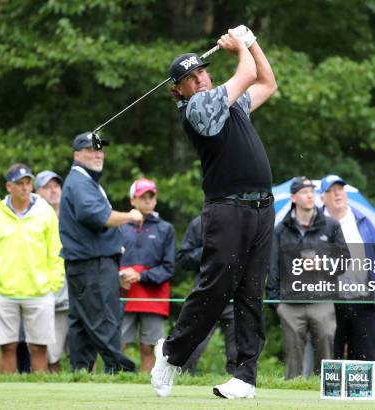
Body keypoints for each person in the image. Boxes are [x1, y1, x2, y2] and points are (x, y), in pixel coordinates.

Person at [151, 25, 277, 399]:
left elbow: (267, 82)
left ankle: (245, 377)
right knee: (215, 289)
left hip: (261, 209)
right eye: (190, 78)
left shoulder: (229, 103)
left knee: (252, 293)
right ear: (179, 90)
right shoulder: (197, 108)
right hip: (227, 209)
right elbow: (249, 73)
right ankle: (171, 354)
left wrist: (253, 42)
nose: (200, 78)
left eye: (202, 71)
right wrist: (241, 48)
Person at [59, 132, 143, 374]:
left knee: (82, 322)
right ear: (77, 155)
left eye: (100, 150)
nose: (98, 154)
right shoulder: (80, 182)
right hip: (91, 264)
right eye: (91, 150)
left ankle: (80, 372)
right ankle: (123, 370)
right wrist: (130, 215)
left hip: (87, 263)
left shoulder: (84, 181)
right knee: (103, 320)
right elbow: (97, 216)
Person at [0, 163, 64, 374]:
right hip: (1, 290)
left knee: (39, 348)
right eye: (19, 183)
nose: (25, 187)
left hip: (40, 290)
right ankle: (6, 399)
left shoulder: (45, 213)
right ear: (9, 186)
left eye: (28, 183)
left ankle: (39, 399)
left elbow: (55, 252)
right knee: (7, 347)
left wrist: (54, 283)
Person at [266, 177, 347, 379]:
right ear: (294, 197)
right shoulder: (280, 230)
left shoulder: (331, 226)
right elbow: (273, 267)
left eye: (312, 191)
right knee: (294, 363)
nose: (310, 195)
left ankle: (326, 393)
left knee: (326, 356)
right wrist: (276, 303)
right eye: (304, 191)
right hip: (290, 303)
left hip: (322, 299)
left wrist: (323, 263)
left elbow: (345, 260)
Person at [320, 175, 375, 379]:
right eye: (331, 190)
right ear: (323, 198)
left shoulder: (363, 221)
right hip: (331, 301)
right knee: (332, 358)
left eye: (340, 189)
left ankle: (373, 400)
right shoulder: (317, 224)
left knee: (368, 357)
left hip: (364, 299)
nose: (338, 193)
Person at [119, 178, 175, 372]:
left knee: (148, 346)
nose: (148, 200)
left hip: (154, 296)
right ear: (132, 200)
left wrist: (141, 276)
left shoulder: (165, 228)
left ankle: (148, 382)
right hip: (125, 294)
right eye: (143, 197)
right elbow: (112, 259)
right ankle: (118, 380)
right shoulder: (120, 227)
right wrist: (120, 275)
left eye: (151, 196)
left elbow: (168, 268)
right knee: (119, 342)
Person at [178, 214, 237, 376]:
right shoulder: (199, 223)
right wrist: (210, 249)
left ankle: (239, 382)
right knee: (192, 348)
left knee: (238, 354)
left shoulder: (243, 222)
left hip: (235, 296)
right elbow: (184, 258)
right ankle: (184, 381)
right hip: (206, 295)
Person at [35, 170, 69, 373]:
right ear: (37, 192)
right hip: (46, 295)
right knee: (51, 355)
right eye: (47, 187)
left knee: (80, 352)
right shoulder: (32, 219)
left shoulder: (74, 215)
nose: (53, 190)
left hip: (74, 294)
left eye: (56, 186)